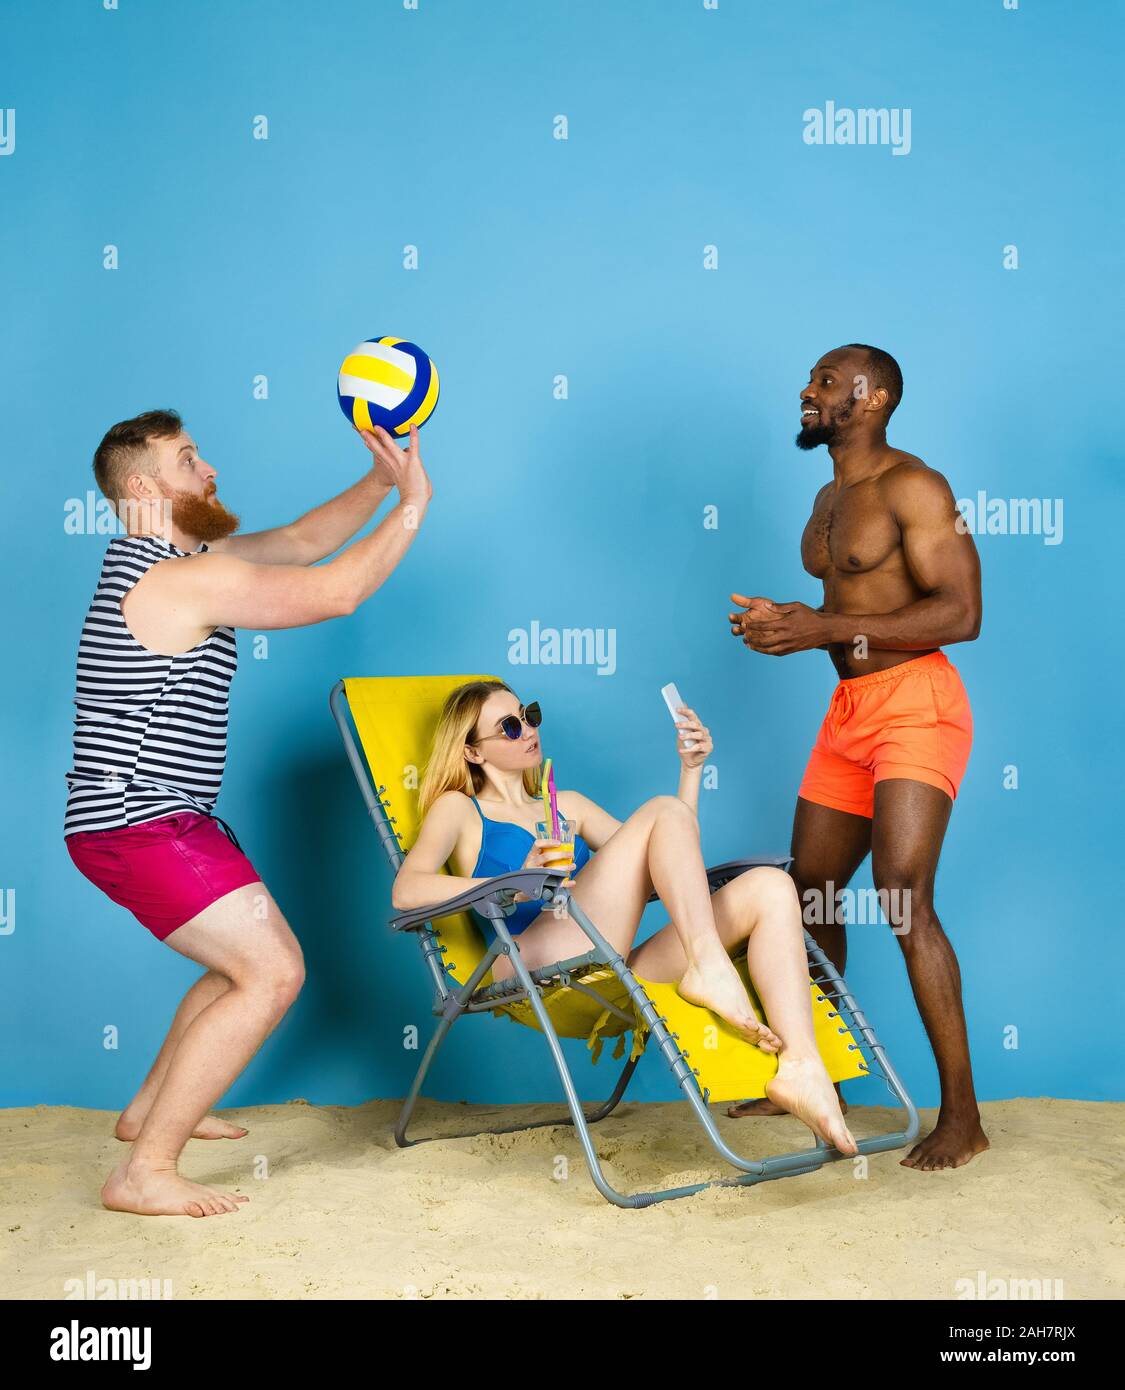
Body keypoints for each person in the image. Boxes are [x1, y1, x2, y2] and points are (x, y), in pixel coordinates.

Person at [64, 410, 431, 1216]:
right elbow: (335, 590)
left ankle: (144, 1113)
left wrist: (378, 480)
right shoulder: (175, 581)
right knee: (273, 972)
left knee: (236, 963)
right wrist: (411, 506)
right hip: (137, 822)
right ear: (142, 487)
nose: (210, 468)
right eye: (188, 458)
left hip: (164, 819)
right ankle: (144, 1172)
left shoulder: (180, 561)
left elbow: (302, 542)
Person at [392, 679, 857, 1155]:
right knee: (660, 811)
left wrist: (691, 771)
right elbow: (407, 890)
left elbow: (665, 864)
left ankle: (802, 1066)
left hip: (601, 960)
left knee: (771, 887)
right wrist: (515, 878)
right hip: (530, 965)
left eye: (530, 715)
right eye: (509, 726)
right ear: (472, 752)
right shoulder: (460, 810)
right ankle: (708, 967)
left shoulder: (566, 805)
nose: (528, 729)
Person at [728, 343, 987, 1171]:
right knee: (808, 895)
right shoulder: (827, 493)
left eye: (827, 382)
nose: (806, 391)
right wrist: (788, 623)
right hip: (847, 712)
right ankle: (820, 1077)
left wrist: (823, 628)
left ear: (872, 397)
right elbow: (845, 606)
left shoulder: (915, 486)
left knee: (903, 896)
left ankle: (962, 1117)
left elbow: (961, 612)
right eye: (809, 379)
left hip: (917, 705)